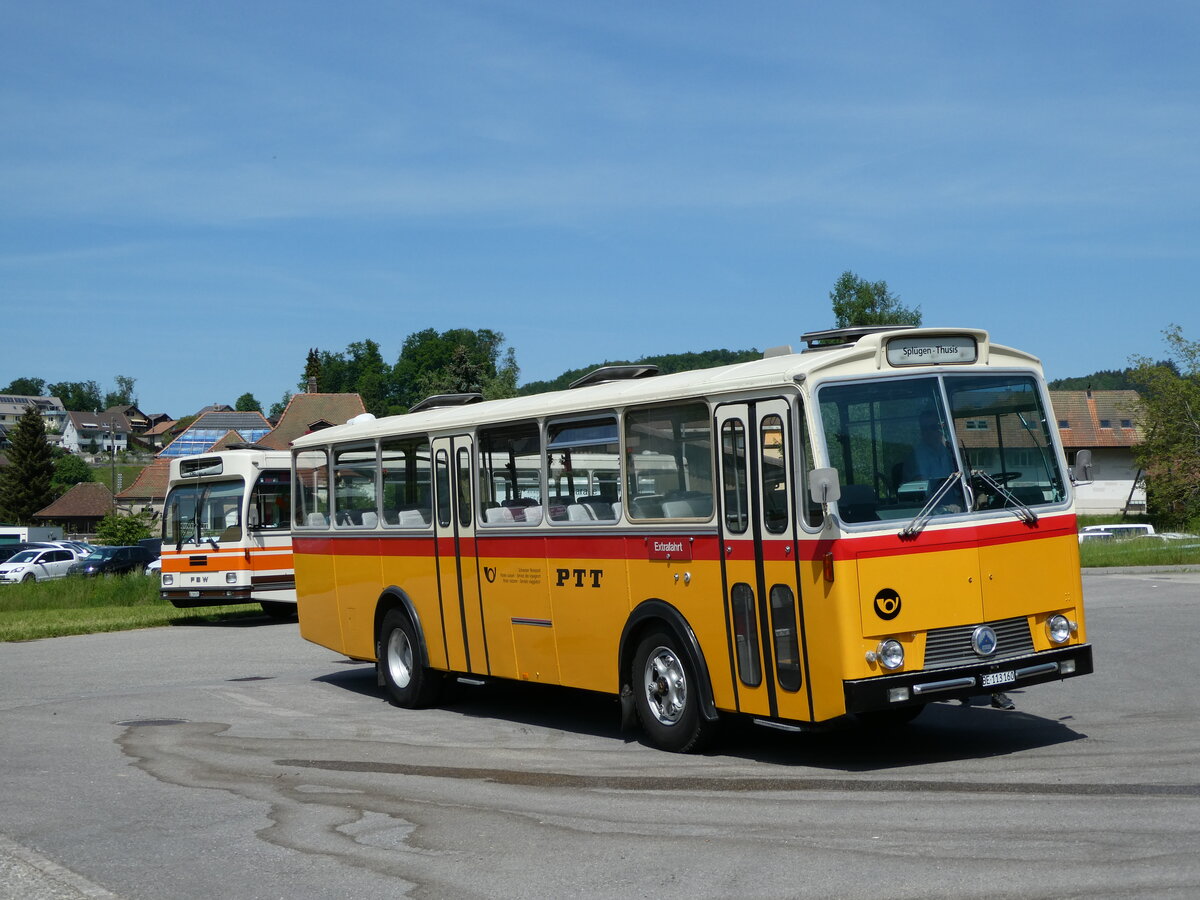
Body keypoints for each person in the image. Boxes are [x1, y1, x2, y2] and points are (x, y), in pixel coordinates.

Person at [903, 410, 956, 482]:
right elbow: (919, 486)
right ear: (922, 431)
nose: (929, 432)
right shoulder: (915, 458)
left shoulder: (948, 453)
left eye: (935, 427)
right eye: (925, 429)